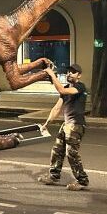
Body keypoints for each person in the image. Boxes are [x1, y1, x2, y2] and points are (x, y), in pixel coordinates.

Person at [37, 63, 90, 191]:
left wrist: (52, 75)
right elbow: (57, 108)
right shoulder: (66, 88)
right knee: (57, 150)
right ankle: (54, 176)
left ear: (79, 75)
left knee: (71, 153)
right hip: (66, 124)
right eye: (68, 71)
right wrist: (46, 123)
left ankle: (82, 181)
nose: (69, 73)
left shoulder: (80, 87)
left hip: (76, 125)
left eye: (73, 72)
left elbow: (61, 90)